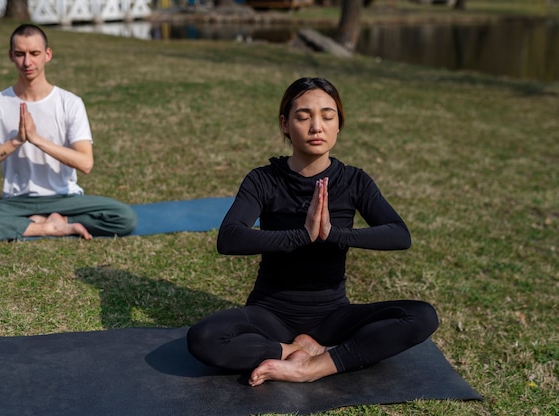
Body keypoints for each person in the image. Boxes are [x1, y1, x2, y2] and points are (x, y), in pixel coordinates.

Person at [187, 77, 439, 386]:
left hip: (332, 317)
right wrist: (301, 235)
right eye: (303, 116)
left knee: (422, 316)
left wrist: (334, 233)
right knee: (204, 337)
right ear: (285, 124)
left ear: (338, 125)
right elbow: (229, 238)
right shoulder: (263, 180)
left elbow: (400, 235)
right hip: (270, 315)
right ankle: (294, 350)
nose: (316, 126)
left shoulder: (354, 181)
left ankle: (315, 366)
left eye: (327, 116)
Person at [0, 24, 136, 242]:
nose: (27, 62)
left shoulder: (69, 103)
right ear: (10, 56)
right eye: (20, 54)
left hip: (65, 198)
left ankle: (48, 221)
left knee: (123, 217)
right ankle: (46, 227)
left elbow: (85, 163)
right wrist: (16, 141)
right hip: (16, 203)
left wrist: (37, 140)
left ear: (47, 55)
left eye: (34, 54)